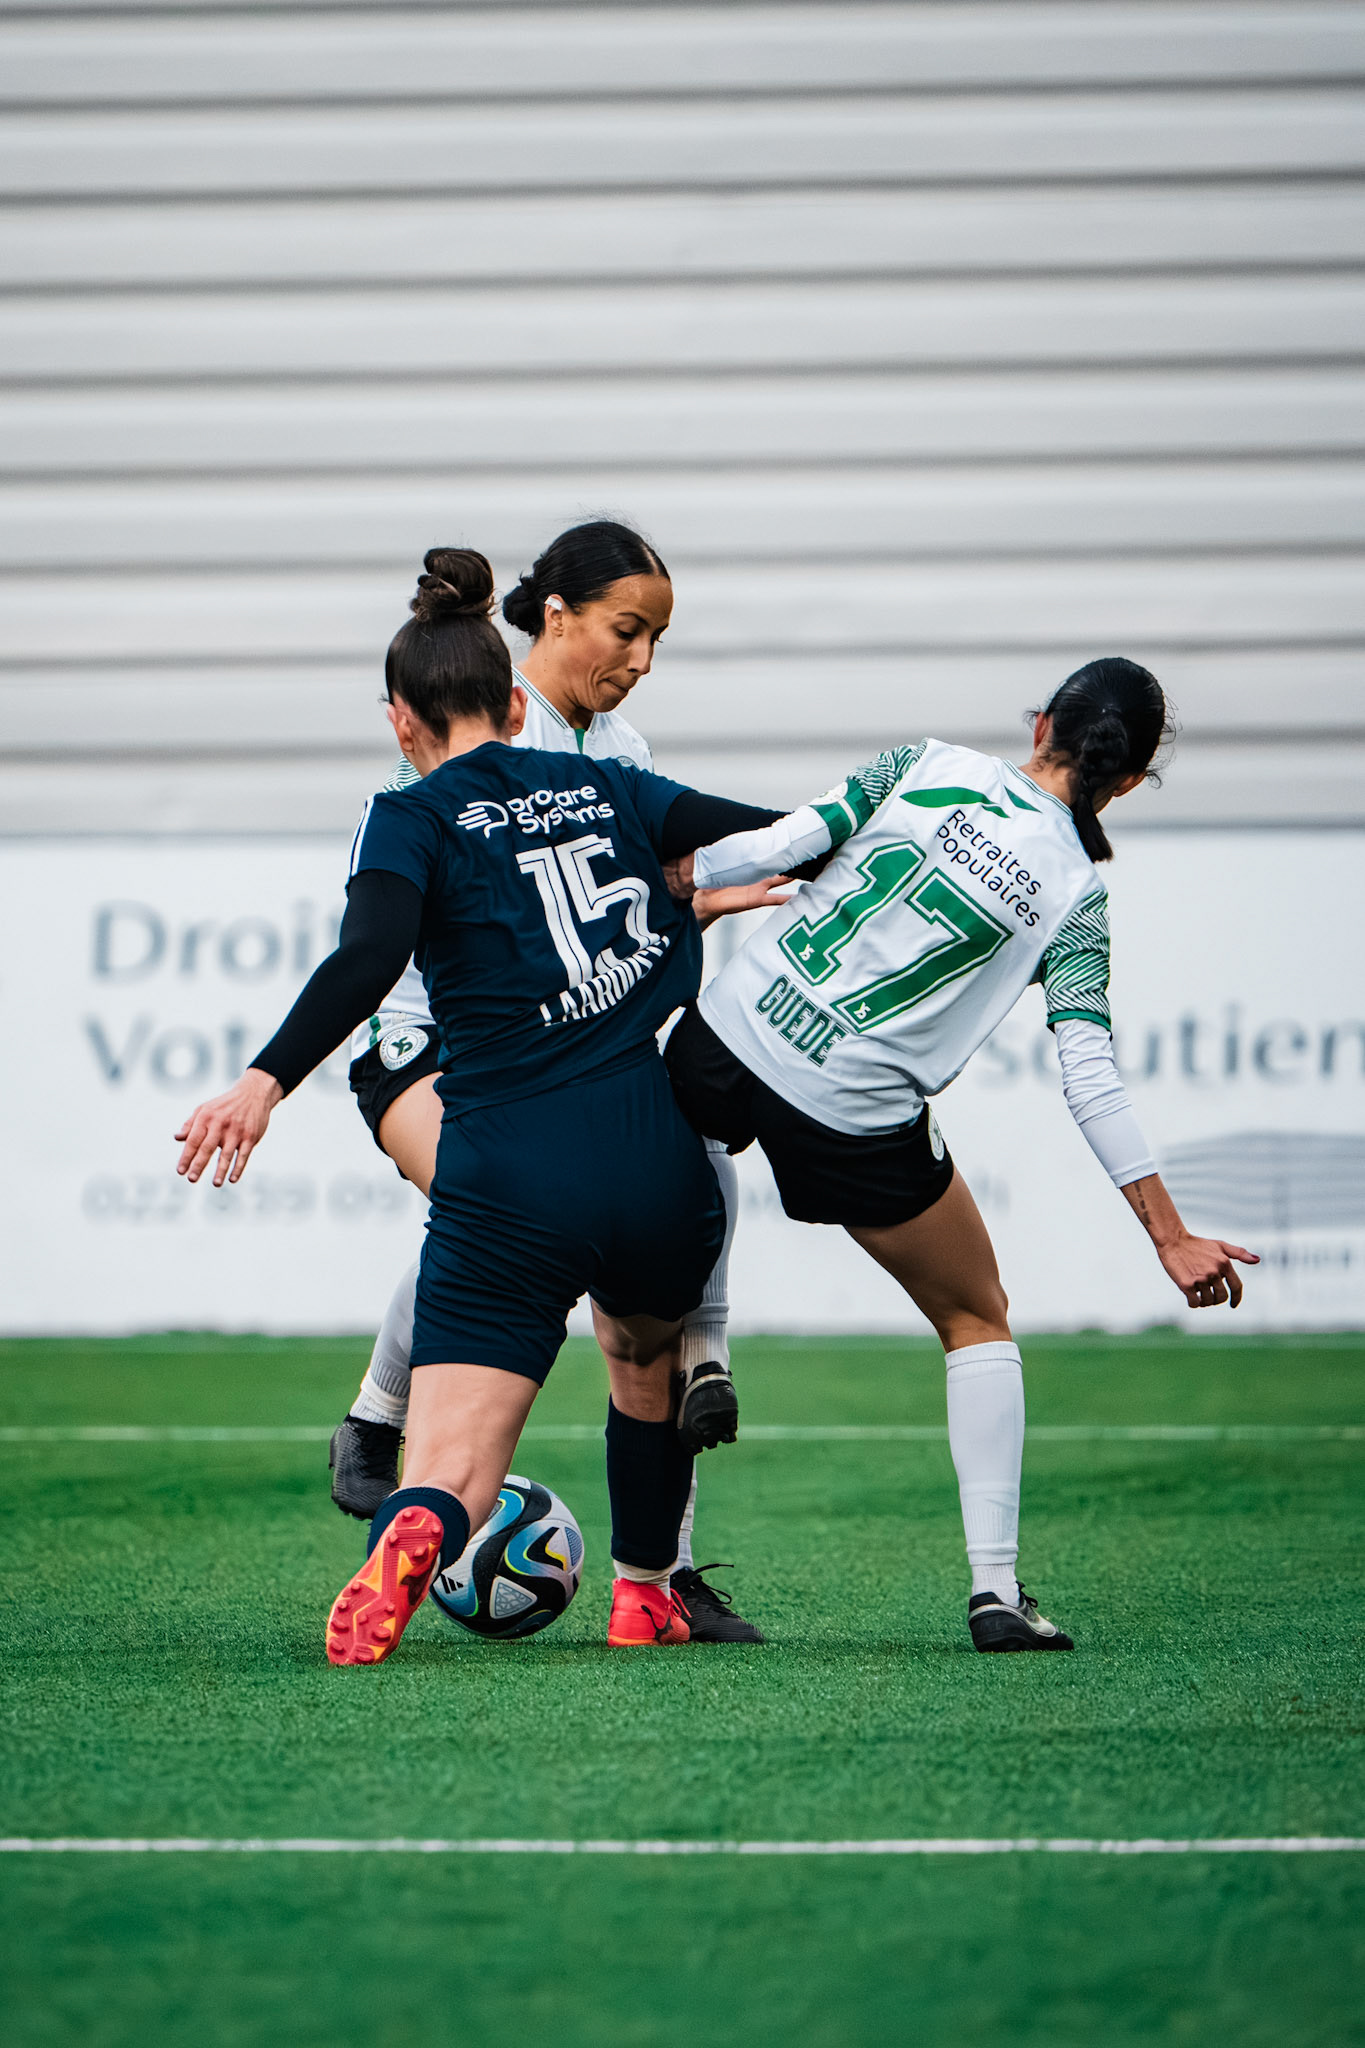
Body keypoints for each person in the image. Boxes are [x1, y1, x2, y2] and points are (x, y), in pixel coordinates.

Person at [174, 549, 788, 1665]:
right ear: (517, 701)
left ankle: (413, 1523)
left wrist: (265, 1078)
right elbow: (767, 831)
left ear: (400, 720)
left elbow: (368, 958)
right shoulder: (608, 782)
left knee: (454, 1453)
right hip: (655, 1157)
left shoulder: (406, 814)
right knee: (639, 1356)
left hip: (510, 1162)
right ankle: (645, 1592)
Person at [662, 658, 1259, 1653]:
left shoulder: (922, 763)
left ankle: (703, 1351)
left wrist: (666, 887)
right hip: (848, 1114)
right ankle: (994, 1591)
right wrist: (1169, 1232)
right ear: (1124, 782)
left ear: (1040, 724)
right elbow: (1091, 1075)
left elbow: (769, 848)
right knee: (975, 1316)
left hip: (725, 1036)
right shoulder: (1075, 896)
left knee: (687, 1169)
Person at [334, 520, 775, 1643]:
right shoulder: (469, 725)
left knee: (663, 1198)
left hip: (564, 1055)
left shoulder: (623, 746)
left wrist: (692, 899)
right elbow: (396, 929)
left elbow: (657, 891)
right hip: (427, 1044)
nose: (638, 656)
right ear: (555, 617)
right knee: (506, 1208)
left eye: (657, 638)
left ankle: (659, 1569)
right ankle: (380, 1413)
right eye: (627, 630)